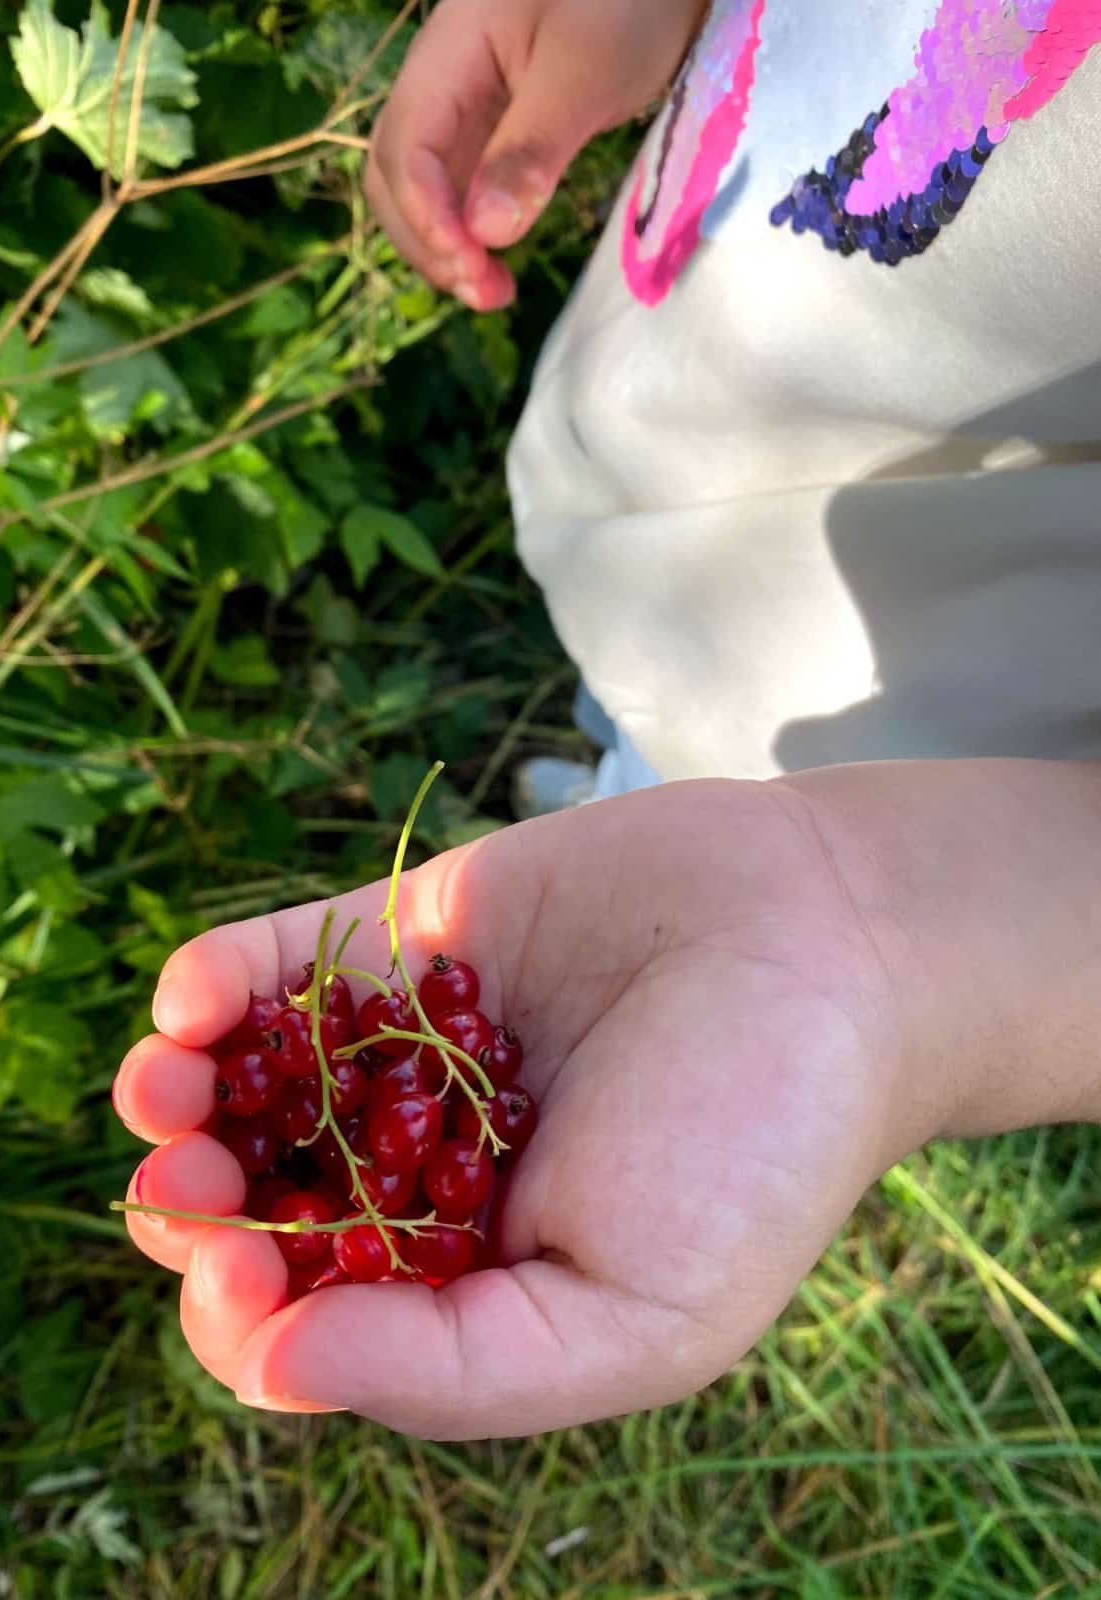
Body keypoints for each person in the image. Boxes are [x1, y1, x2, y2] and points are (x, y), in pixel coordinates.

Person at [111, 0, 1101, 1440]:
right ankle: (632, 768)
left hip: (945, 769)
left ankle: (671, 817)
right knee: (649, 741)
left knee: (716, 821)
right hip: (682, 437)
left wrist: (904, 951)